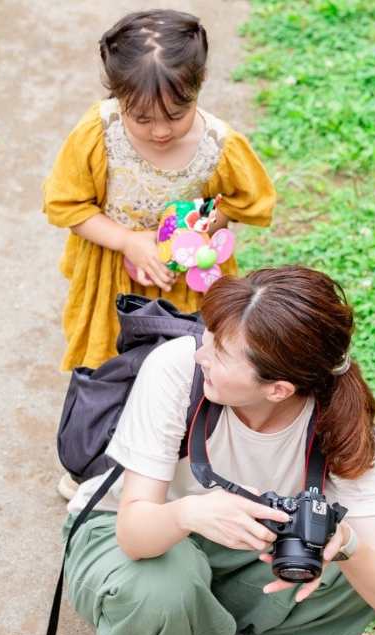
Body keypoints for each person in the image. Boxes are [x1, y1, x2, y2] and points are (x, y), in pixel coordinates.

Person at [61, 266, 375, 635]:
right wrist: (188, 513)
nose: (200, 353)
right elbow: (133, 532)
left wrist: (342, 543)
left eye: (221, 351)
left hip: (249, 549)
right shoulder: (176, 368)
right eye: (209, 334)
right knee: (162, 581)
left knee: (363, 561)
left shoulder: (339, 425)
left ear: (278, 388)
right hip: (136, 529)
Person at [43, 9, 276, 374]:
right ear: (119, 97)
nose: (161, 131)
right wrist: (127, 241)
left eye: (175, 114)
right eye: (143, 119)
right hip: (113, 277)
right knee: (110, 360)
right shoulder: (99, 134)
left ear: (199, 85)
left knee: (183, 360)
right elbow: (69, 208)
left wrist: (196, 230)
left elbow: (246, 201)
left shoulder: (218, 145)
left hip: (183, 283)